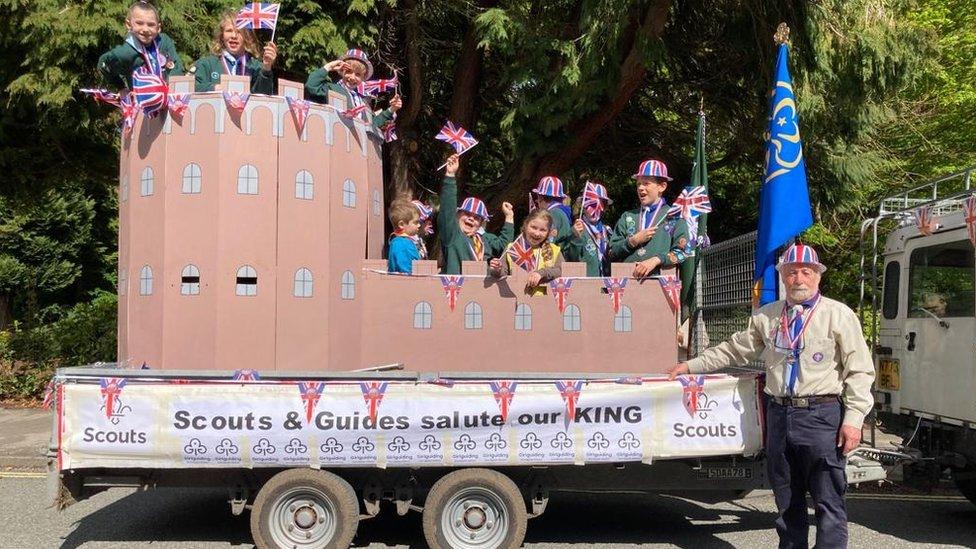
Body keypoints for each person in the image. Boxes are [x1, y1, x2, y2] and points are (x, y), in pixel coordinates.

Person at [667, 243, 875, 549]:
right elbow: (734, 349)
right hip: (779, 414)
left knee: (828, 502)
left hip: (821, 415)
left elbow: (860, 372)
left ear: (818, 276)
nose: (799, 279)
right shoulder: (768, 317)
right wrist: (690, 365)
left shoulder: (839, 315)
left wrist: (854, 420)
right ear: (783, 277)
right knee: (786, 501)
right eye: (792, 273)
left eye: (806, 272)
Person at [609, 159, 689, 278]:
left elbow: (682, 252)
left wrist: (656, 260)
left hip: (660, 287)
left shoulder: (674, 217)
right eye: (638, 184)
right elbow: (611, 253)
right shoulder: (627, 217)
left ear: (662, 186)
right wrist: (633, 241)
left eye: (646, 183)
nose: (640, 188)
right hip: (626, 285)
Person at [437, 154, 514, 275]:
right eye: (467, 214)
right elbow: (447, 211)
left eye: (477, 218)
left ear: (481, 224)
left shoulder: (484, 239)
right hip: (456, 290)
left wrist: (509, 217)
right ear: (457, 215)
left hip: (480, 292)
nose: (471, 219)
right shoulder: (452, 236)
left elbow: (504, 246)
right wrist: (450, 176)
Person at [305, 48, 401, 128]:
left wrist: (392, 109)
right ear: (341, 71)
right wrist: (329, 67)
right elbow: (311, 85)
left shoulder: (363, 101)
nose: (352, 77)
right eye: (349, 71)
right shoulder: (332, 89)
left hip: (357, 149)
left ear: (363, 77)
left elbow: (373, 124)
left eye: (358, 74)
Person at [98, 1, 184, 90]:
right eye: (139, 23)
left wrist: (173, 91)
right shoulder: (125, 49)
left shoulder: (163, 41)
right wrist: (121, 87)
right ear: (128, 24)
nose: (145, 29)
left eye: (151, 25)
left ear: (158, 28)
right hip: (139, 101)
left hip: (167, 99)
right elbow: (103, 64)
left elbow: (176, 67)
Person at [191, 11, 277, 94]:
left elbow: (264, 97)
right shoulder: (207, 64)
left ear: (247, 37)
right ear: (222, 36)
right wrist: (215, 88)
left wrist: (266, 67)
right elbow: (190, 87)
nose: (234, 36)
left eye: (239, 32)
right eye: (229, 30)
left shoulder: (256, 68)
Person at [490, 209, 564, 295]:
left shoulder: (554, 250)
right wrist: (497, 269)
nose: (537, 233)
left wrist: (542, 273)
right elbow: (502, 274)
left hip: (544, 301)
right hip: (516, 299)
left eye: (543, 230)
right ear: (525, 225)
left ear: (548, 232)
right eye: (533, 227)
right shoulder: (513, 247)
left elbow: (562, 270)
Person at [571, 181, 613, 277]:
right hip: (586, 285)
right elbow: (571, 258)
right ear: (583, 205)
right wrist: (575, 237)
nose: (594, 210)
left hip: (607, 284)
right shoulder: (577, 230)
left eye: (599, 204)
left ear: (604, 207)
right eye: (590, 204)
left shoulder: (608, 231)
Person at [529, 177, 575, 255]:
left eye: (537, 197)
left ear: (541, 197)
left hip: (556, 259)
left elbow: (548, 242)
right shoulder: (565, 211)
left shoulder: (552, 214)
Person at [387, 200, 423, 274]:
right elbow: (406, 271)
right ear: (401, 224)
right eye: (415, 222)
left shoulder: (400, 242)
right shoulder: (402, 243)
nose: (419, 225)